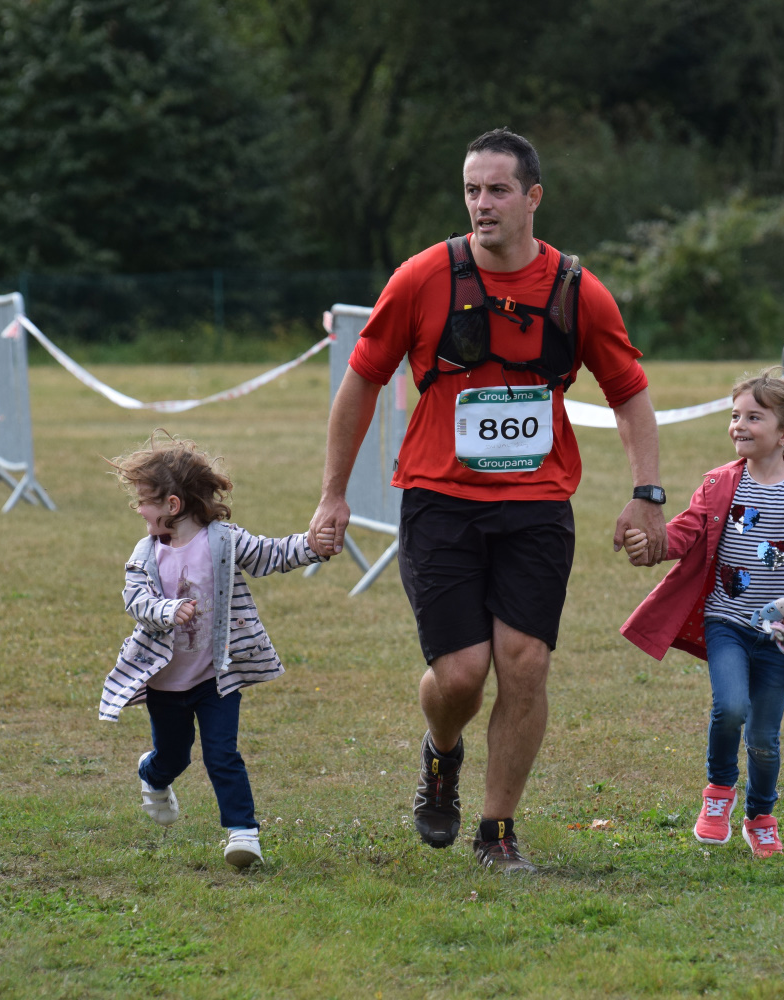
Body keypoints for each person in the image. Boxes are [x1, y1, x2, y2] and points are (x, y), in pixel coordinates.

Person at [307, 128, 667, 872]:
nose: (482, 204)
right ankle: (442, 752)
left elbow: (629, 392)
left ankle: (497, 831)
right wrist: (333, 494)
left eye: (498, 189)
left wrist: (646, 495)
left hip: (537, 504)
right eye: (472, 190)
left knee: (525, 663)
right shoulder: (422, 278)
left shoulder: (576, 289)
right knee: (462, 675)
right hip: (440, 500)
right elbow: (362, 380)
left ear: (533, 198)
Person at [619, 369, 784, 856]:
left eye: (754, 417)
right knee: (730, 708)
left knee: (764, 737)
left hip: (778, 634)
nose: (739, 425)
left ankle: (760, 816)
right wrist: (654, 542)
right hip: (725, 623)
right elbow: (687, 531)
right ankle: (718, 793)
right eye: (735, 416)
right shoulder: (718, 483)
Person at [100, 435, 328, 869]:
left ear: (172, 505)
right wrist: (167, 610)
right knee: (175, 755)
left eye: (144, 502)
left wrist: (313, 545)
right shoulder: (145, 554)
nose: (139, 510)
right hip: (166, 683)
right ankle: (152, 773)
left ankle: (243, 833)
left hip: (215, 678)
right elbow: (135, 601)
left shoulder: (223, 541)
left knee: (222, 754)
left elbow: (270, 554)